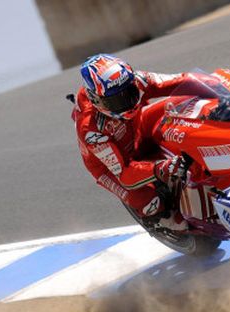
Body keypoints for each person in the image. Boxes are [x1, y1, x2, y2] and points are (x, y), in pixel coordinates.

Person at [71, 53, 196, 231]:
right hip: (110, 167)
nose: (127, 103)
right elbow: (125, 174)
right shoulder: (91, 130)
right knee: (150, 204)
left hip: (136, 127)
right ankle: (161, 220)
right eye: (116, 100)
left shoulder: (136, 79)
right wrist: (160, 169)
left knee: (182, 104)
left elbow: (179, 81)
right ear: (97, 100)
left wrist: (214, 82)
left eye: (129, 92)